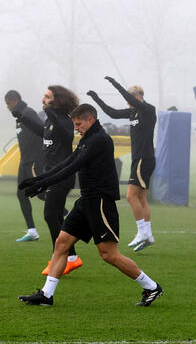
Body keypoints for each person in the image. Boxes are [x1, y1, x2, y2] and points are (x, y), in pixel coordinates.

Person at [17, 103, 163, 307]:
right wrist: (39, 180)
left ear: (90, 120)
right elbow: (68, 162)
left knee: (108, 254)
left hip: (100, 202)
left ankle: (151, 287)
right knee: (61, 243)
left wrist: (43, 183)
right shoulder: (88, 139)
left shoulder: (99, 140)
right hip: (86, 201)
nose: (76, 128)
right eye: (74, 124)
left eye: (78, 124)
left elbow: (73, 167)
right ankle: (46, 295)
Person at [16, 85, 83, 275]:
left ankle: (62, 258)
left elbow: (67, 134)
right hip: (52, 175)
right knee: (53, 216)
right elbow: (42, 131)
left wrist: (51, 112)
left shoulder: (64, 119)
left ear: (57, 100)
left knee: (50, 216)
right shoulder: (50, 121)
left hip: (61, 176)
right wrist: (24, 119)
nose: (43, 99)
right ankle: (70, 257)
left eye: (47, 97)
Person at [88, 77, 157, 251]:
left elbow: (133, 100)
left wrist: (116, 85)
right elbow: (112, 113)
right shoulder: (132, 112)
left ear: (139, 95)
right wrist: (96, 99)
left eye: (130, 96)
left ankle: (142, 232)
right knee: (140, 197)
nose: (127, 100)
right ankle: (148, 234)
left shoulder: (148, 109)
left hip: (144, 158)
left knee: (130, 196)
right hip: (138, 158)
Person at [6, 90, 45, 242]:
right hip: (24, 163)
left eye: (8, 103)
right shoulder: (18, 116)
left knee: (41, 194)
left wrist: (38, 155)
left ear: (15, 100)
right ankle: (32, 231)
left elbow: (42, 131)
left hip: (35, 161)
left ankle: (68, 215)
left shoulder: (28, 113)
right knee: (21, 195)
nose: (7, 107)